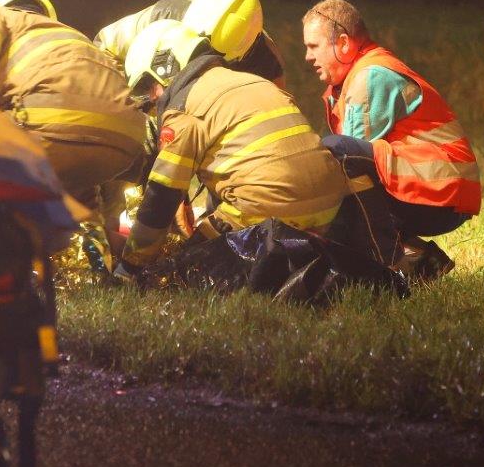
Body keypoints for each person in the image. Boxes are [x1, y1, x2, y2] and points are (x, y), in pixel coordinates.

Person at [116, 19, 401, 297]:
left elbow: (161, 198)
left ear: (166, 68)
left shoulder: (183, 110)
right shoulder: (252, 81)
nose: (151, 98)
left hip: (268, 210)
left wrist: (130, 266)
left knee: (184, 269)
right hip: (328, 208)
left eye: (148, 86)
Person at [0, 0, 148, 257]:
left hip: (47, 128)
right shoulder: (71, 37)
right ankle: (96, 258)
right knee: (74, 195)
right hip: (125, 144)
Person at [301, 0, 481, 279]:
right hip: (438, 188)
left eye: (313, 46)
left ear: (344, 43)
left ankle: (388, 266)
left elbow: (344, 166)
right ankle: (421, 260)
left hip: (443, 193)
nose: (307, 57)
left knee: (340, 156)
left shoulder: (370, 76)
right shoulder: (355, 76)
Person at [94, 0, 287, 87]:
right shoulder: (163, 15)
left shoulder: (267, 65)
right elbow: (102, 47)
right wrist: (136, 103)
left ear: (246, 53)